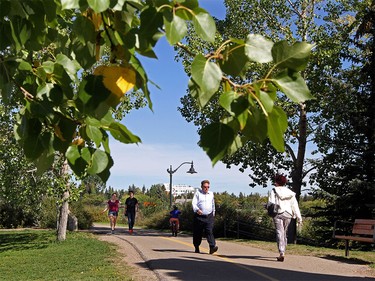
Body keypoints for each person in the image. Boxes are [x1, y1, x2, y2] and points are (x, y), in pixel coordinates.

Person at [268, 174, 302, 262]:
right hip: (288, 214)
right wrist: (299, 217)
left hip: (277, 213)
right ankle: (283, 249)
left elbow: (271, 202)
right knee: (284, 233)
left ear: (276, 182)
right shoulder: (290, 193)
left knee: (280, 232)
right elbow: (295, 205)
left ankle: (281, 252)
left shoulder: (274, 191)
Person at [192, 179, 218, 254]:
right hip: (199, 216)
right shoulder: (198, 193)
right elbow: (194, 203)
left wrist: (213, 213)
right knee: (198, 233)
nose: (206, 188)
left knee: (209, 231)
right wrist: (197, 210)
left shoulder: (211, 194)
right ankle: (196, 246)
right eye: (205, 187)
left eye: (208, 187)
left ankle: (212, 247)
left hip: (209, 216)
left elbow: (213, 204)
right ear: (202, 187)